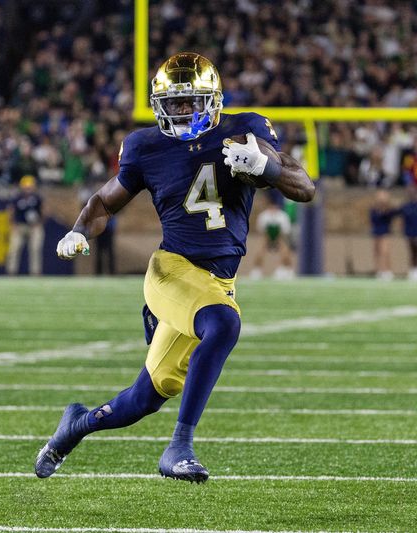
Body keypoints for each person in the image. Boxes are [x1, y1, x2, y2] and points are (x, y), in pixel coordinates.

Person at [34, 52, 315, 483]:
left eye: (190, 101)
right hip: (171, 270)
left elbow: (305, 187)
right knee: (223, 325)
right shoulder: (146, 147)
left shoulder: (245, 130)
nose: (182, 110)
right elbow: (104, 202)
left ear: (213, 100)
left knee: (143, 399)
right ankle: (179, 447)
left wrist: (266, 166)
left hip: (217, 281)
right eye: (174, 103)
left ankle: (75, 425)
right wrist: (79, 230)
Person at [6, 174, 44, 275]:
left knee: (35, 249)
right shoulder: (17, 198)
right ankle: (11, 272)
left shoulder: (37, 198)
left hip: (34, 227)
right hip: (20, 226)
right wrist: (13, 224)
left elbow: (43, 211)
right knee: (14, 248)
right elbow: (11, 211)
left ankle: (35, 272)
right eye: (26, 187)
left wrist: (39, 223)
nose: (28, 189)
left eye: (30, 187)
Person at [250, 192, 294, 280]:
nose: (273, 209)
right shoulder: (264, 216)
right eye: (271, 207)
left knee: (285, 251)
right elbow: (261, 231)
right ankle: (256, 271)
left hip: (279, 237)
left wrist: (278, 241)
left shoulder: (282, 216)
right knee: (259, 251)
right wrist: (268, 240)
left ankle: (288, 270)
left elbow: (284, 232)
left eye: (275, 207)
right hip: (267, 238)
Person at [369, 189, 398, 280]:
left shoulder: (388, 210)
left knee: (385, 252)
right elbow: (373, 220)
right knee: (377, 252)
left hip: (384, 233)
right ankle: (379, 270)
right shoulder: (374, 210)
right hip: (376, 232)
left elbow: (392, 214)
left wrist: (386, 206)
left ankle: (387, 270)